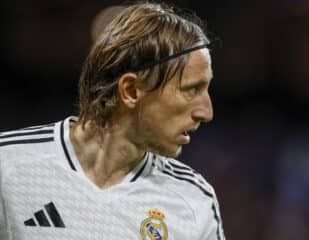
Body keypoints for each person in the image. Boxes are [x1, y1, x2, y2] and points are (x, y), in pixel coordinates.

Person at [0, 2, 225, 239]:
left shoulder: (194, 202)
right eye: (191, 90)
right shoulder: (8, 166)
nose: (206, 112)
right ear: (131, 91)